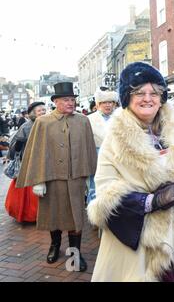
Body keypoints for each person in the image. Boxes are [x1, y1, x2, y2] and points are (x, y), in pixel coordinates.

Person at [87, 62, 174, 281]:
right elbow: (105, 192)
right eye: (139, 92)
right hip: (141, 242)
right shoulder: (114, 139)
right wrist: (153, 201)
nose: (148, 98)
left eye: (154, 92)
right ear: (127, 97)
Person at [16, 82, 97, 272]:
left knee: (76, 217)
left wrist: (88, 176)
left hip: (75, 179)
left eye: (73, 100)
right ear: (56, 101)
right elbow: (36, 151)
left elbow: (89, 149)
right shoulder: (43, 122)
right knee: (54, 216)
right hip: (52, 179)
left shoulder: (83, 121)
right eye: (66, 100)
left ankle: (75, 252)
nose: (71, 103)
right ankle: (54, 246)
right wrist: (38, 180)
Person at [4, 102, 46, 223]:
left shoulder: (48, 124)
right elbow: (14, 147)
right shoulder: (26, 126)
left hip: (43, 162)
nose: (43, 112)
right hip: (28, 164)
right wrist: (19, 144)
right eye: (40, 111)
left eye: (44, 110)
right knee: (27, 193)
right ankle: (30, 215)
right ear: (33, 113)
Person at [86, 87, 119, 205]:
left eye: (110, 102)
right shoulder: (89, 119)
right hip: (96, 156)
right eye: (104, 102)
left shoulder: (121, 118)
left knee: (115, 187)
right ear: (98, 104)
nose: (108, 105)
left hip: (117, 157)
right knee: (95, 186)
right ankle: (93, 214)